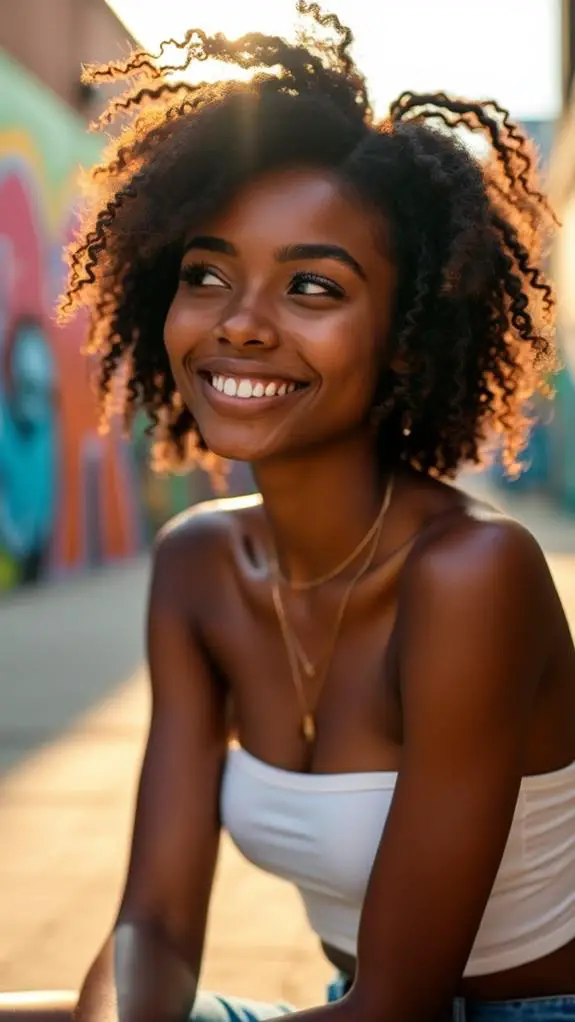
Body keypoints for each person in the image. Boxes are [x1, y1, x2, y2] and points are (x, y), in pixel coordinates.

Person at [3, 3, 575, 1021]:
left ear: (403, 334)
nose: (239, 323)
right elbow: (155, 925)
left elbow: (398, 1003)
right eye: (206, 274)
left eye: (311, 286)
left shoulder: (471, 575)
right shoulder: (198, 569)